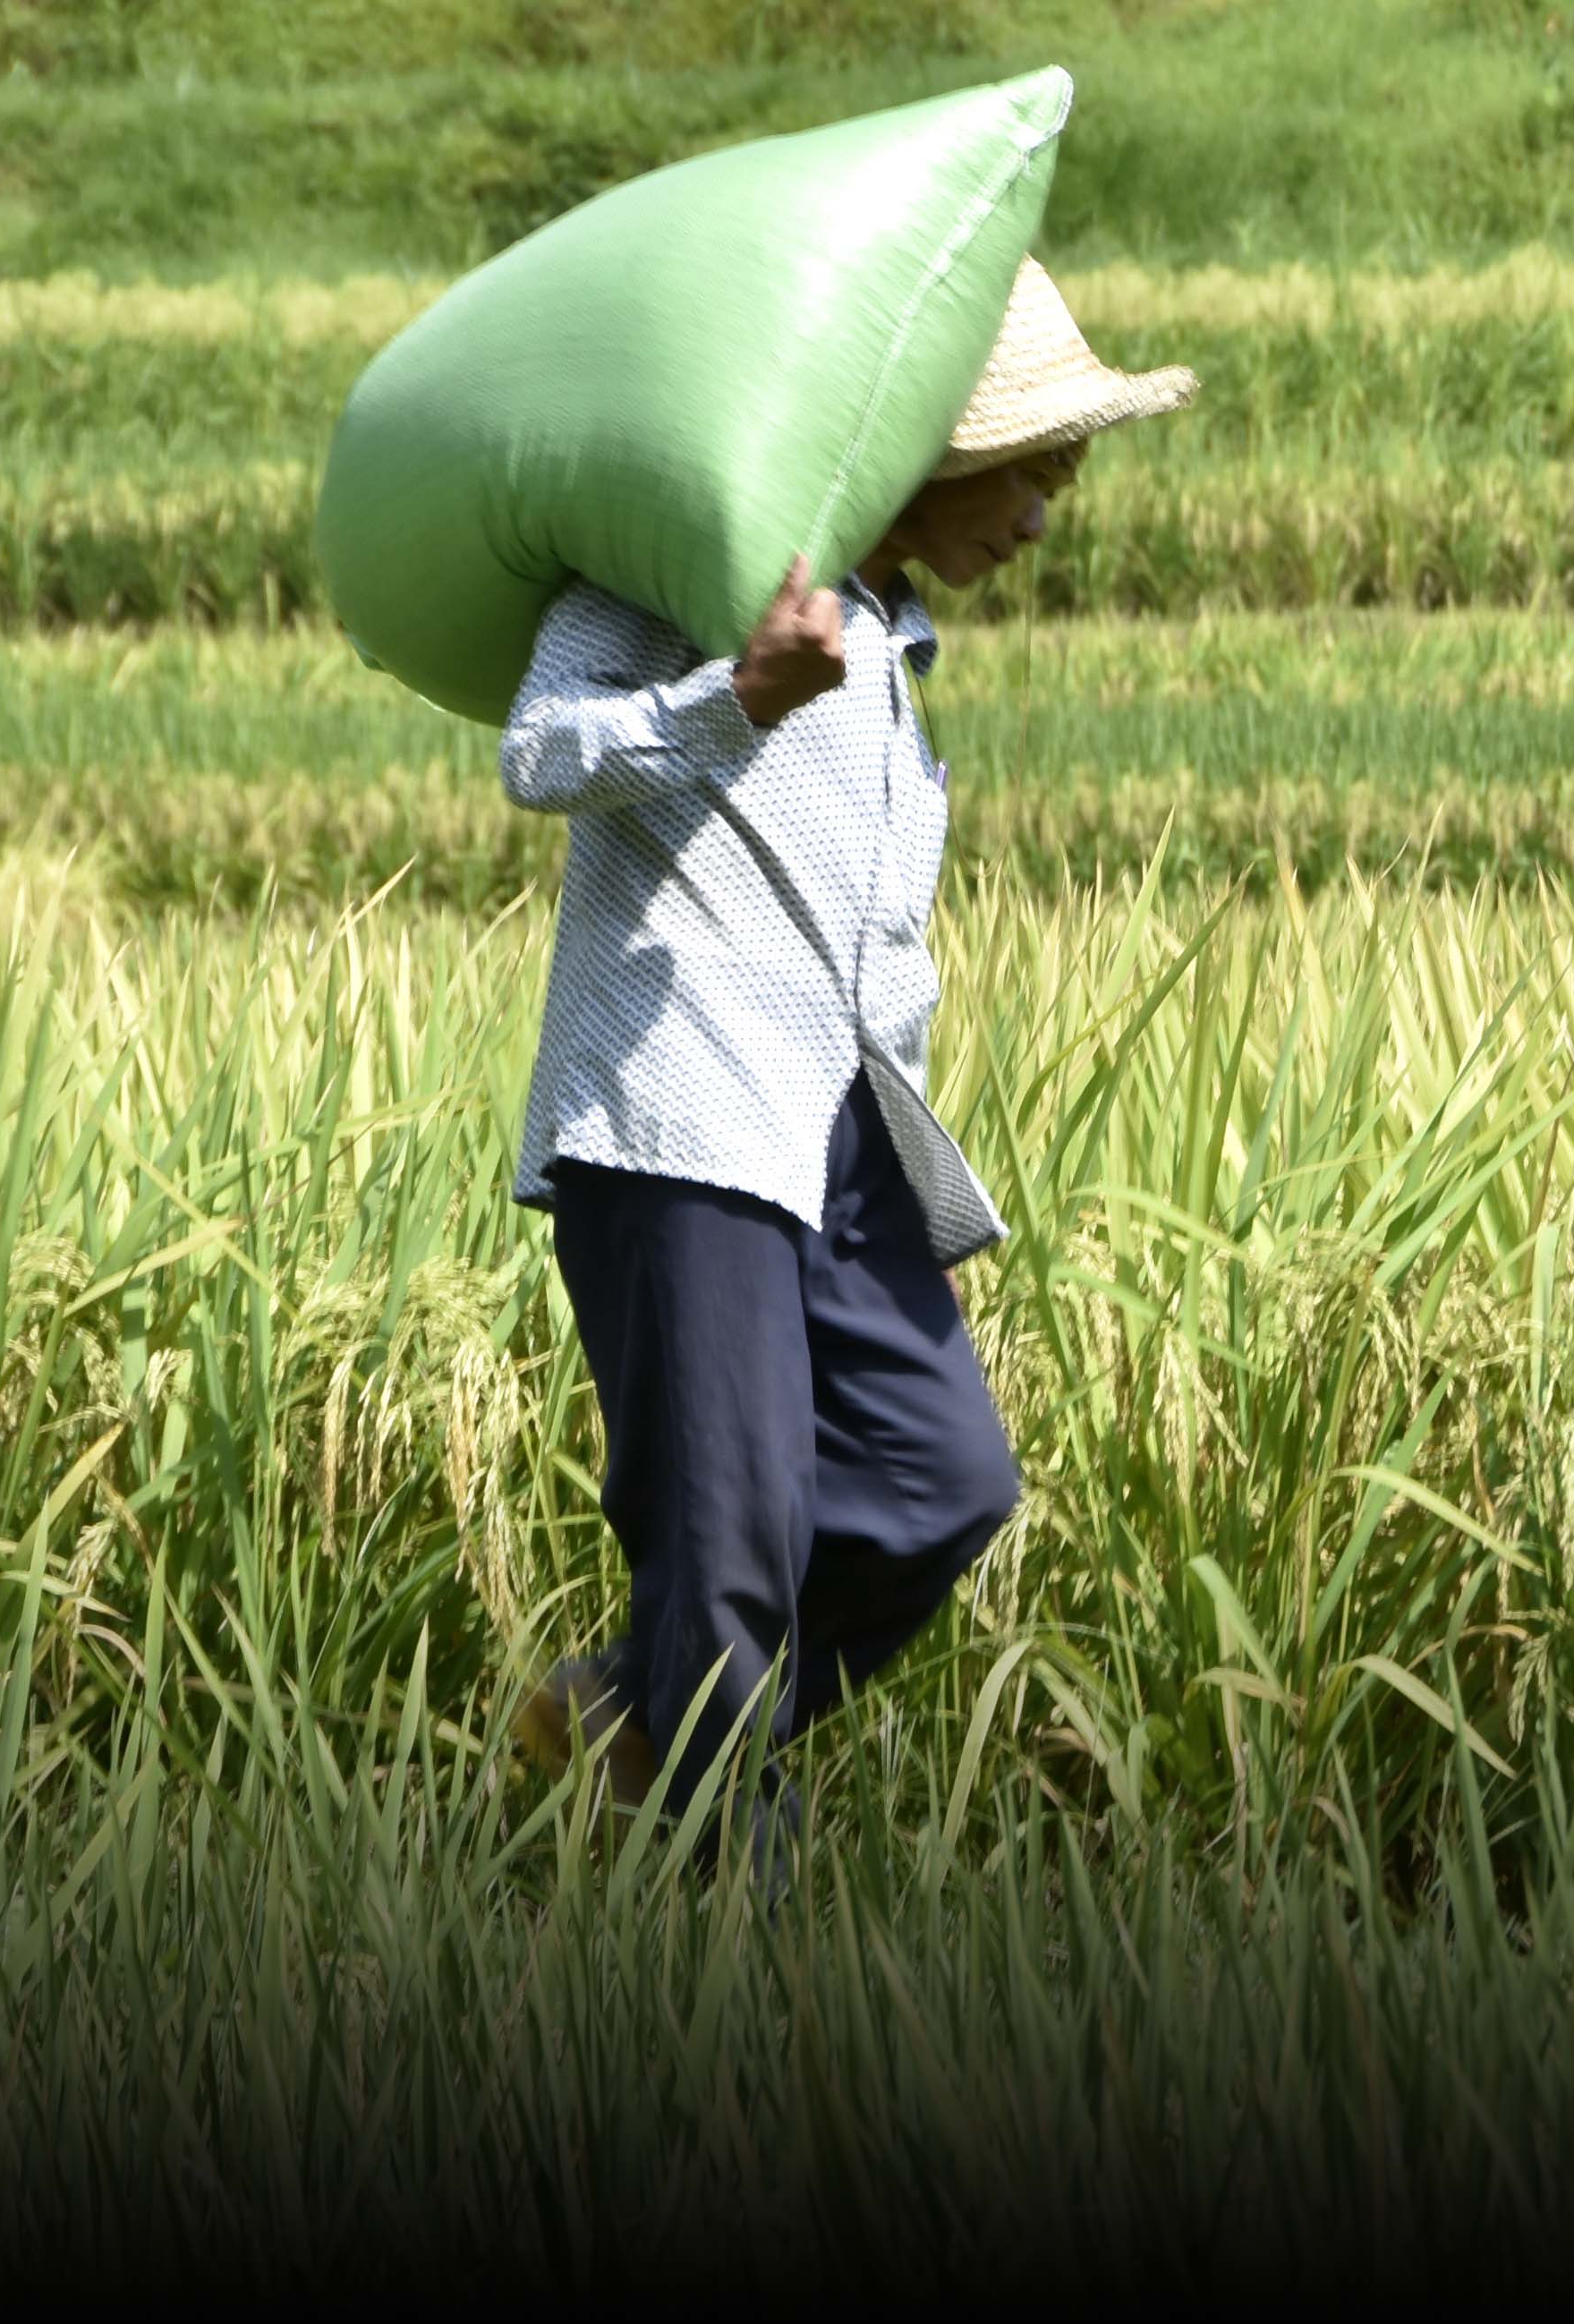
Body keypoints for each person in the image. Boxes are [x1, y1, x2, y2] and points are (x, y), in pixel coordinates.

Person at [502, 261, 1195, 1819]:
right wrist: (730, 697)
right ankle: (712, 1904)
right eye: (1031, 477)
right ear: (932, 453)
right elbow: (537, 753)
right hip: (681, 1119)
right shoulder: (678, 571)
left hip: (842, 1136)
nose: (1038, 522)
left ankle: (634, 1717)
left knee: (940, 1480)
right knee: (729, 1539)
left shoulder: (887, 641)